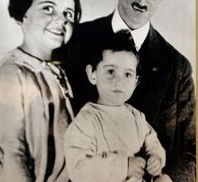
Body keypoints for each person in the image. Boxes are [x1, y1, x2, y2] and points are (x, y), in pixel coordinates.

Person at [0, 0, 195, 182]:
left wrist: (167, 178)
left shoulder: (178, 67)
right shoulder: (70, 40)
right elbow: (27, 97)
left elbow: (192, 150)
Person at [0, 0, 82, 182]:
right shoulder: (11, 72)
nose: (60, 20)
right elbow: (12, 153)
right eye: (48, 9)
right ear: (22, 14)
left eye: (68, 13)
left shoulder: (56, 73)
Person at [64, 31, 171, 182]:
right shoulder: (87, 120)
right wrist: (124, 166)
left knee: (164, 180)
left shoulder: (137, 117)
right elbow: (78, 167)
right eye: (111, 71)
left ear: (136, 81)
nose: (119, 81)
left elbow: (152, 142)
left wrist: (156, 158)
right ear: (92, 74)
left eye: (127, 75)